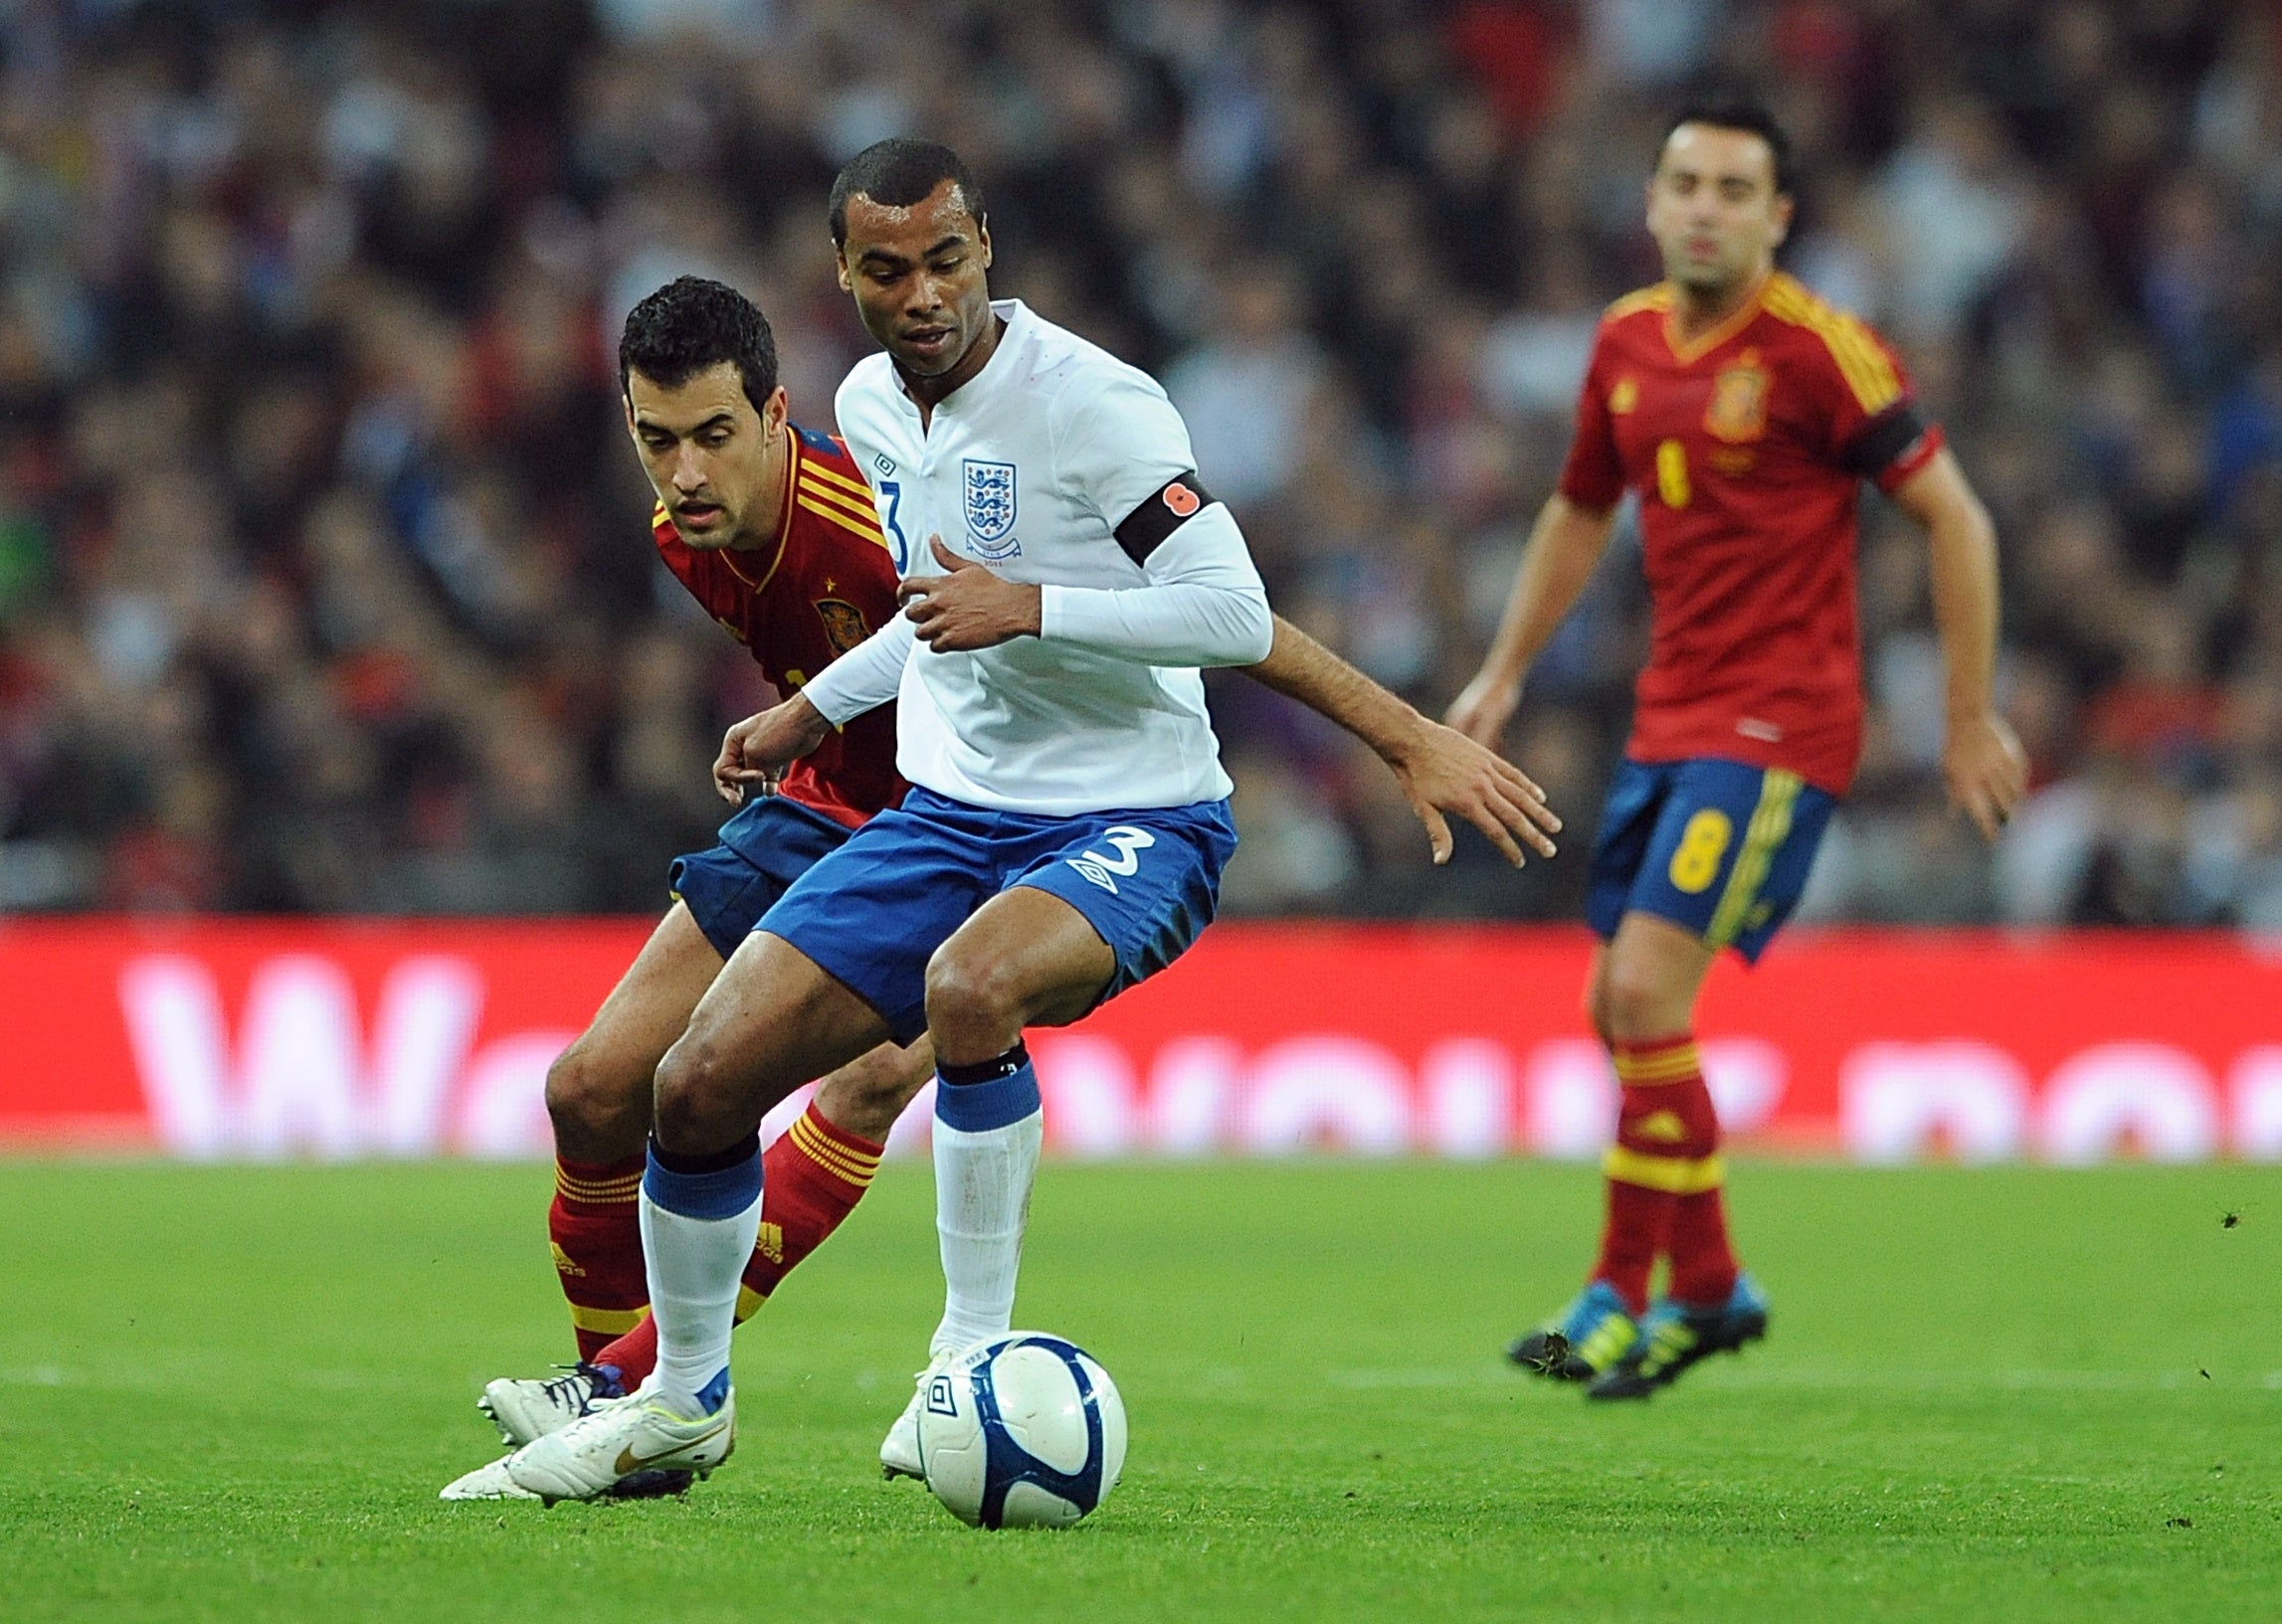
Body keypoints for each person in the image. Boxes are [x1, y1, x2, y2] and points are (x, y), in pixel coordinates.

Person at [449, 149, 1562, 1500]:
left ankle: (964, 1360)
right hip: (950, 813)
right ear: (846, 276)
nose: (920, 294)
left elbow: (1227, 611)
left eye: (946, 261)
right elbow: (927, 613)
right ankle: (674, 1407)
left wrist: (1049, 609)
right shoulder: (871, 405)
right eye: (885, 269)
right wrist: (818, 710)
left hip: (1134, 815)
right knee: (692, 1083)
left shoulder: (1096, 404)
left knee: (967, 986)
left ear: (987, 251)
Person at [1446, 103, 2026, 1400]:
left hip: (1780, 727)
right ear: (1652, 204)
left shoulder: (1824, 355)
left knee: (1644, 997)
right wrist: (1501, 671)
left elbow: (1956, 518)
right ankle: (1709, 1288)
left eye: (1735, 188)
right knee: (1614, 1008)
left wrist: (1966, 711)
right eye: (1685, 182)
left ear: (1777, 216)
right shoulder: (1623, 342)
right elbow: (1578, 508)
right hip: (1669, 715)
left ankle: (1611, 1297)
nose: (1705, 205)